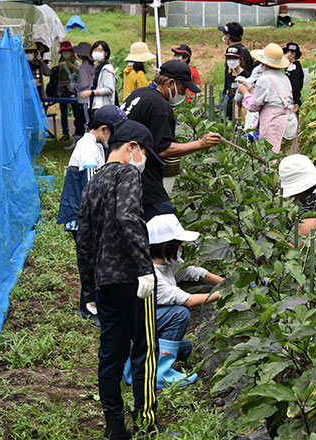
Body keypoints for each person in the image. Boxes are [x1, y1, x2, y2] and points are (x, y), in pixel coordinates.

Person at [76, 118, 166, 439]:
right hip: (133, 280)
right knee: (145, 350)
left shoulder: (93, 183)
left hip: (104, 283)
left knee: (111, 354)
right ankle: (146, 424)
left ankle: (115, 426)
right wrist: (144, 268)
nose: (142, 162)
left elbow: (83, 237)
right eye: (143, 153)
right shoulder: (127, 173)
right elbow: (128, 216)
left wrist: (88, 288)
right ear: (131, 148)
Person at [122, 214, 224, 389]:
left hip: (145, 326)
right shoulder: (151, 275)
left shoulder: (168, 263)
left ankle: (135, 363)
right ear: (165, 246)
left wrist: (226, 281)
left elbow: (194, 272)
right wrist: (224, 294)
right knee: (179, 313)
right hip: (134, 331)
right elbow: (189, 301)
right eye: (179, 244)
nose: (181, 248)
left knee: (184, 348)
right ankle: (157, 374)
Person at [121, 60, 220, 220]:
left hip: (120, 167)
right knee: (165, 221)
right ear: (170, 83)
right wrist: (200, 144)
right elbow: (163, 149)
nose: (184, 93)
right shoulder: (160, 107)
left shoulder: (138, 94)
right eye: (183, 88)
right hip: (141, 174)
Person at [57, 105, 127, 328]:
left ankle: (91, 306)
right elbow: (92, 189)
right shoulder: (88, 150)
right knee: (92, 262)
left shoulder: (94, 144)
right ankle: (89, 309)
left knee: (95, 261)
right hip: (82, 216)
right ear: (105, 129)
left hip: (85, 214)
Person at [238, 43, 298, 155]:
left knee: (272, 160)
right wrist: (251, 89)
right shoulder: (285, 78)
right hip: (290, 123)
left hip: (274, 126)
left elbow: (254, 105)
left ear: (263, 63)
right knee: (287, 160)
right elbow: (271, 97)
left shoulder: (264, 79)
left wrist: (245, 92)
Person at [219, 22, 253, 119]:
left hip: (235, 93)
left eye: (224, 34)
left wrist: (228, 89)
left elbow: (231, 71)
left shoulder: (232, 50)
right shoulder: (244, 49)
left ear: (228, 36)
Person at [68, 42, 96, 150]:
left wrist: (74, 84)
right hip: (89, 97)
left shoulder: (83, 67)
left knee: (83, 121)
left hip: (84, 98)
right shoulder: (91, 65)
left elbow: (84, 83)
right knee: (86, 120)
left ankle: (82, 144)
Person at [81, 41, 117, 122]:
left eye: (100, 50)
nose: (97, 52)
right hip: (96, 106)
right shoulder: (99, 68)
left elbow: (109, 89)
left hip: (103, 108)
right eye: (95, 50)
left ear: (106, 53)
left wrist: (91, 92)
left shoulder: (107, 69)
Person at [55, 40, 80, 141]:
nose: (66, 54)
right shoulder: (60, 63)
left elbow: (80, 73)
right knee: (63, 113)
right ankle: (65, 133)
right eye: (64, 52)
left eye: (68, 51)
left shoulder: (76, 63)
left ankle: (78, 132)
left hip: (74, 90)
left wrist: (71, 65)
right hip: (62, 90)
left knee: (76, 112)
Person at [224, 45, 251, 122]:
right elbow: (226, 91)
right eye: (229, 59)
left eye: (234, 58)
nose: (231, 61)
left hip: (241, 112)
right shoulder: (228, 76)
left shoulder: (246, 75)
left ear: (240, 60)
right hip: (229, 111)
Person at [283, 42, 304, 113]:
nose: (285, 54)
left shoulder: (296, 69)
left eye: (287, 52)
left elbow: (295, 87)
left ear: (293, 54)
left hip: (293, 101)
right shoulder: (289, 66)